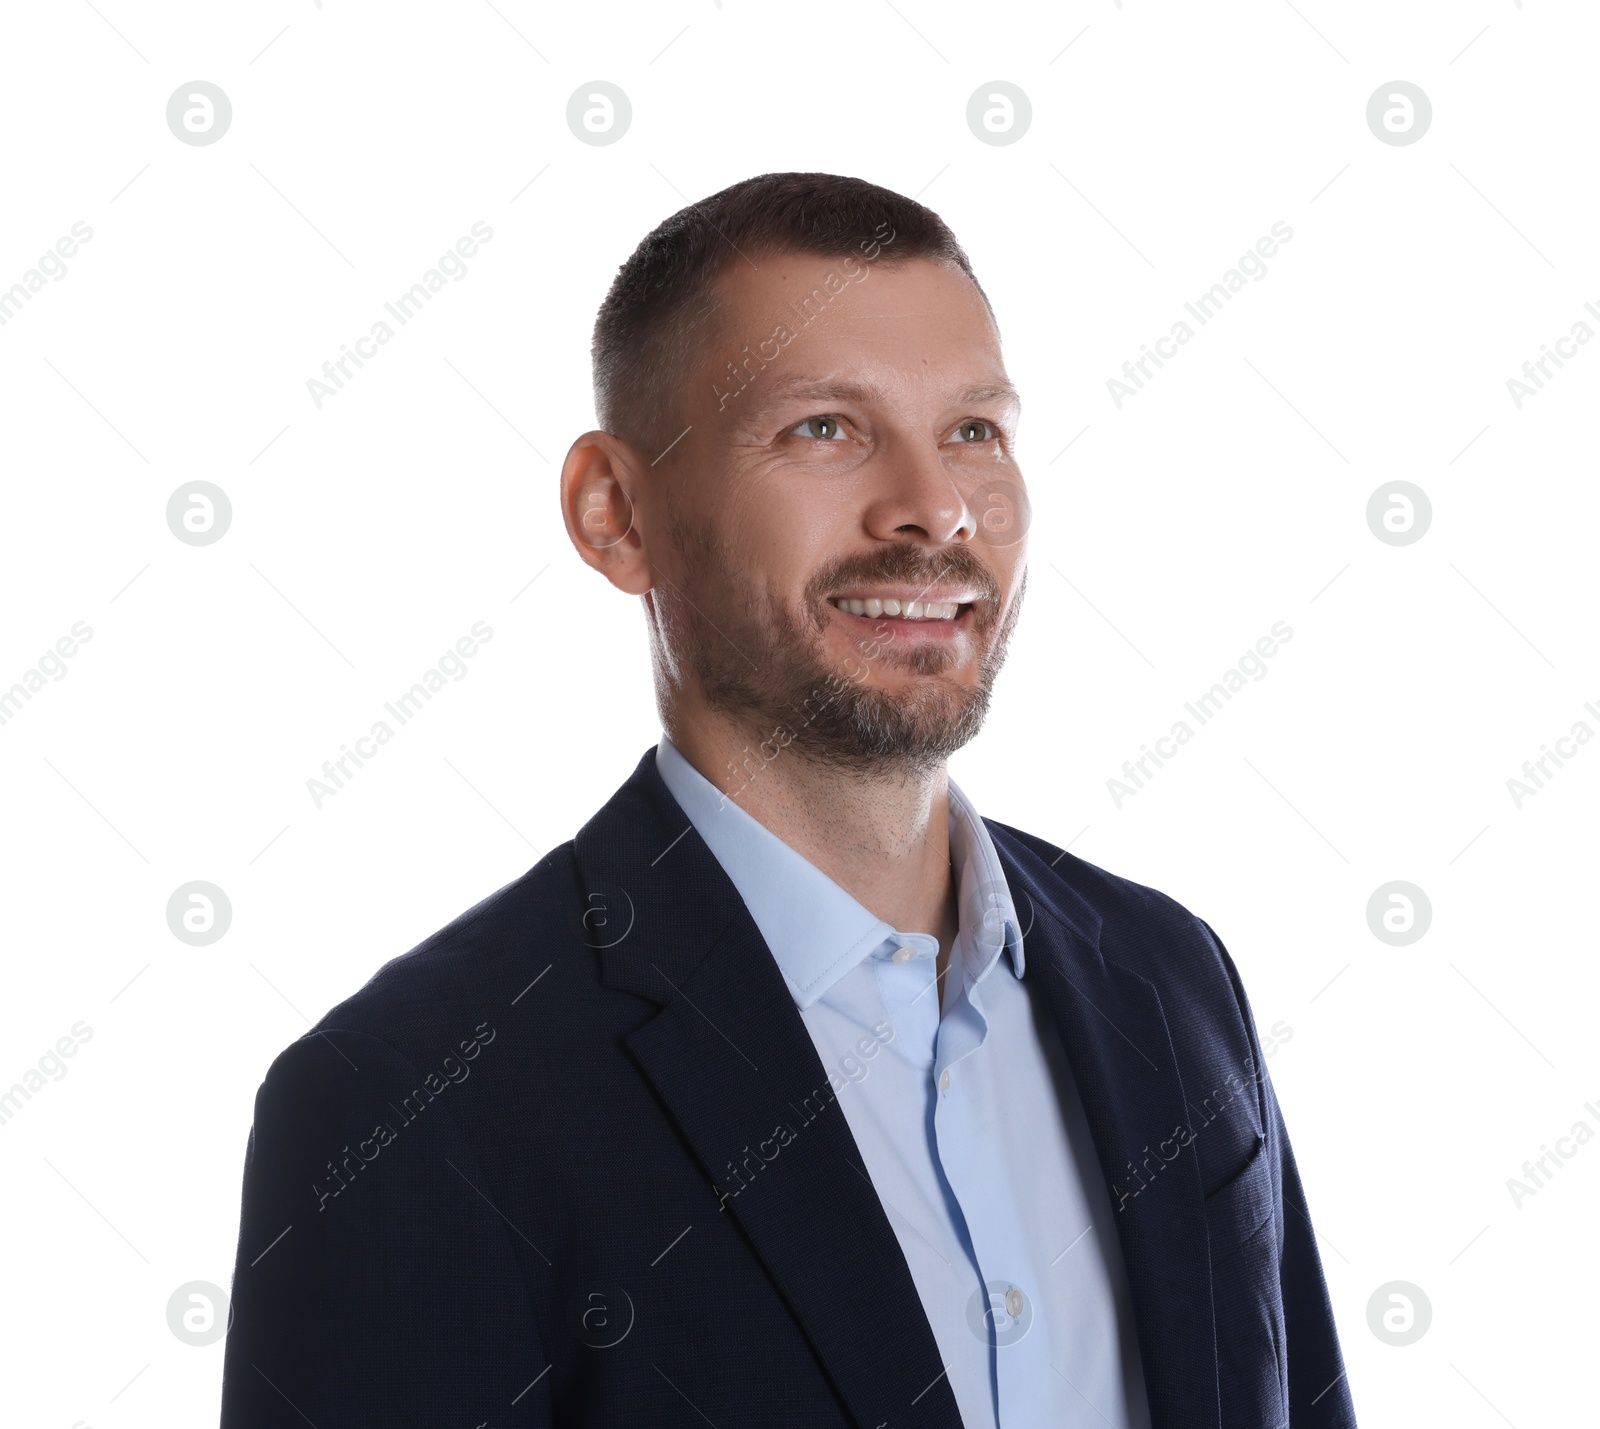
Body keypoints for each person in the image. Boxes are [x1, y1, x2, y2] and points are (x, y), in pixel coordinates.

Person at [220, 172, 1356, 1428]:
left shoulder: (1170, 980)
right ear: (615, 515)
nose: (934, 506)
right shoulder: (413, 1104)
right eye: (824, 427)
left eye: (974, 429)